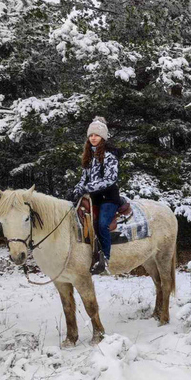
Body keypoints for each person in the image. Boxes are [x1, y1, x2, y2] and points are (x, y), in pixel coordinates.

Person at [72, 117, 123, 273]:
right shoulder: (89, 155)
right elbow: (83, 179)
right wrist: (77, 189)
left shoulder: (109, 156)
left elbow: (110, 179)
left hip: (108, 198)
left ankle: (105, 259)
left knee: (102, 225)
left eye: (97, 135)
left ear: (103, 137)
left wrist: (88, 187)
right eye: (91, 135)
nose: (93, 138)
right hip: (94, 199)